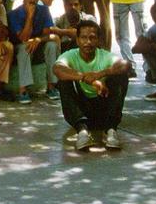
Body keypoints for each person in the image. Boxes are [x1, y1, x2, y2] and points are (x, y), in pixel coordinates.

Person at [53, 19, 130, 151]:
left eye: (92, 38)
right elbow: (57, 69)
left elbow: (125, 65)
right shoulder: (70, 55)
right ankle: (82, 132)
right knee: (64, 80)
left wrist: (100, 74)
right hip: (81, 111)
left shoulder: (105, 56)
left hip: (104, 110)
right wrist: (85, 78)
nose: (87, 42)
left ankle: (110, 130)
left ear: (98, 40)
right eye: (83, 37)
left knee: (120, 75)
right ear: (77, 40)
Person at [10, 0, 58, 104]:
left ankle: (51, 87)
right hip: (20, 47)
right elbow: (23, 38)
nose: (32, 0)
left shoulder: (44, 10)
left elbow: (47, 33)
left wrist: (38, 39)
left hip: (38, 45)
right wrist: (30, 16)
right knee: (25, 47)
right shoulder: (14, 14)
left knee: (52, 45)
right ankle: (23, 91)